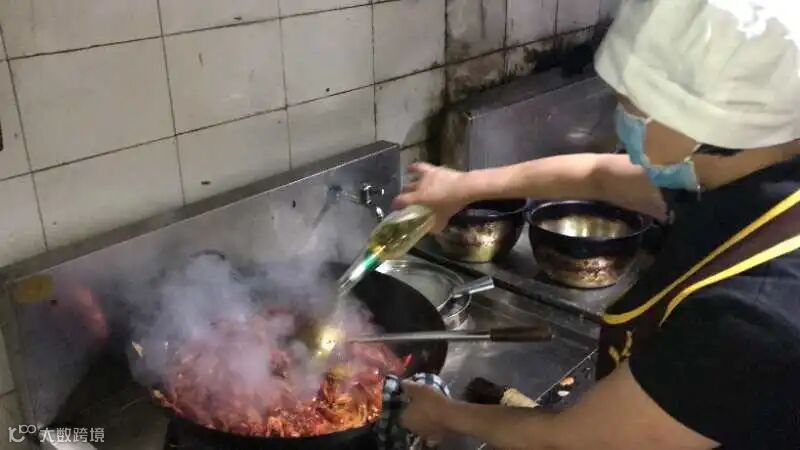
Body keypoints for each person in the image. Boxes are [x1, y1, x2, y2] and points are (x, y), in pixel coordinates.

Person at [393, 1, 800, 449]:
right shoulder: (752, 175)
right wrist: (462, 186)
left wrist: (445, 414)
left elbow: (576, 441)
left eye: (630, 106)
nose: (620, 122)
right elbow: (598, 175)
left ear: (702, 122)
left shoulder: (752, 317)